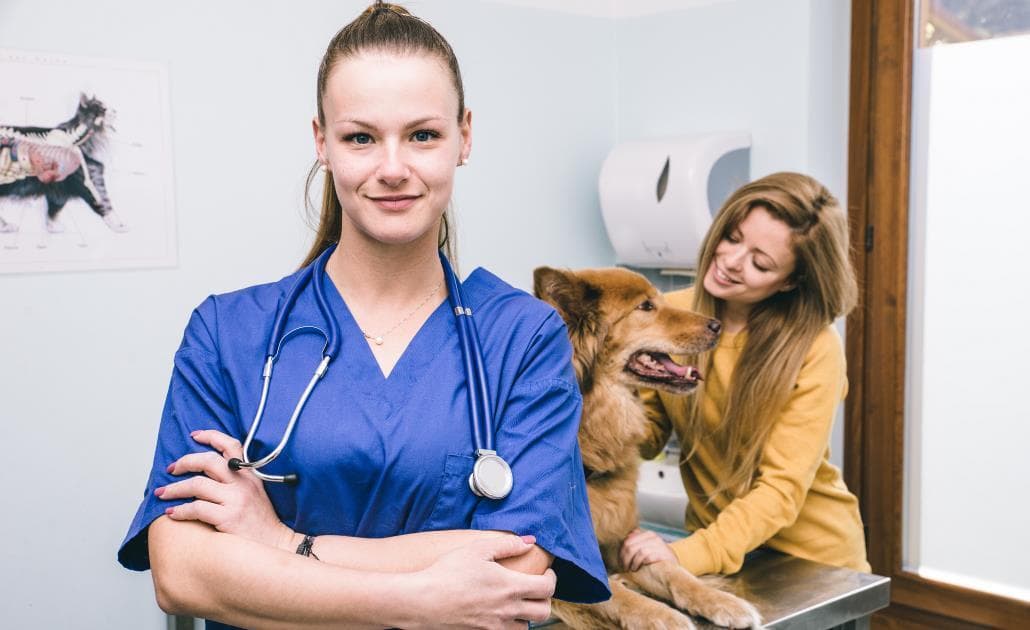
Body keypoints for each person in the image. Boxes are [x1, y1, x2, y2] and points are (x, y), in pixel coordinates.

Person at [117, 3, 609, 628]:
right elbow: (183, 570)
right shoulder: (227, 333)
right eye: (361, 137)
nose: (394, 168)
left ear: (465, 136)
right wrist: (421, 600)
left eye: (423, 135)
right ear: (322, 142)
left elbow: (519, 570)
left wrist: (278, 545)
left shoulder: (524, 337)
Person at [619, 172, 872, 578]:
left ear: (791, 281)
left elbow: (781, 489)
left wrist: (688, 554)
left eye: (759, 263)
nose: (731, 262)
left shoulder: (815, 348)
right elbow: (646, 439)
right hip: (721, 554)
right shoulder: (672, 315)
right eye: (733, 238)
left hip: (811, 562)